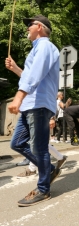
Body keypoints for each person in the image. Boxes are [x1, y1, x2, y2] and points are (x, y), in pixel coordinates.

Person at [5, 15, 61, 206]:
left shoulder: (45, 46)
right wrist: (16, 69)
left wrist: (18, 97)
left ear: (38, 26)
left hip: (38, 104)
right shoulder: (37, 50)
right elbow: (31, 75)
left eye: (29, 25)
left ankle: (43, 189)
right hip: (30, 104)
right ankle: (50, 169)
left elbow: (35, 76)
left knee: (39, 148)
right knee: (17, 143)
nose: (27, 29)